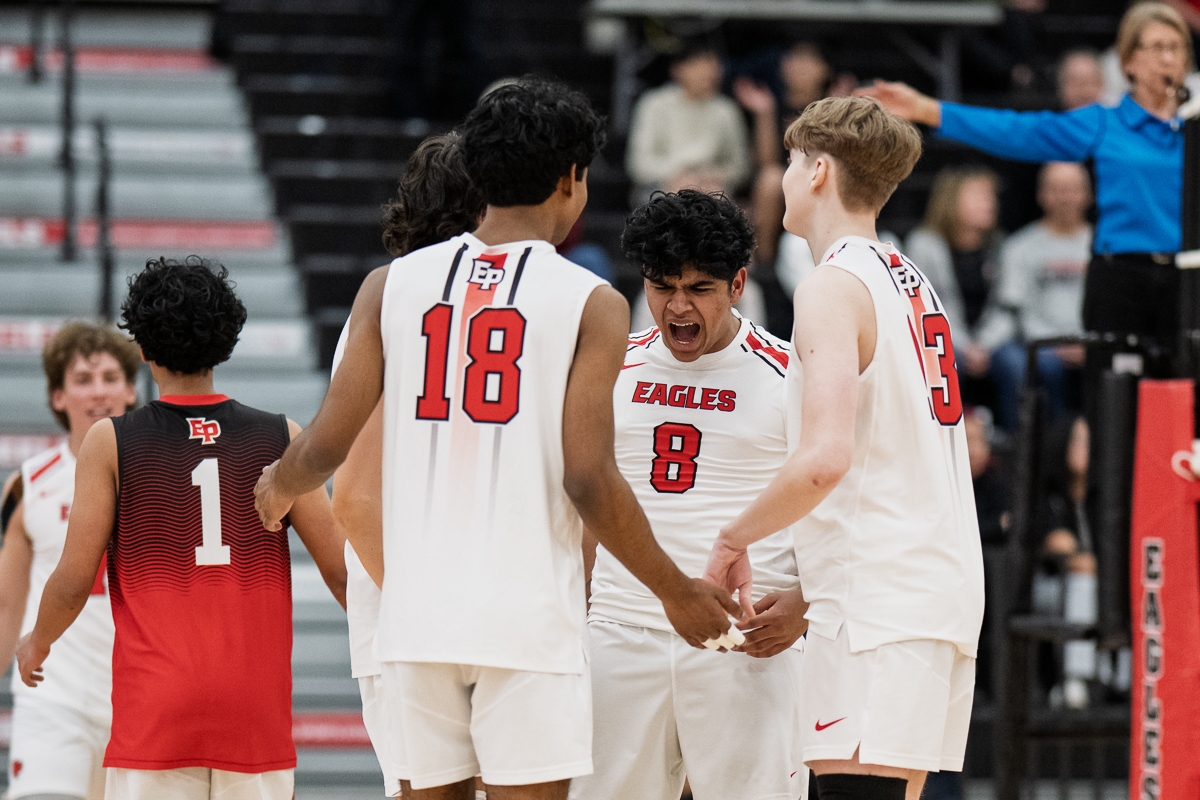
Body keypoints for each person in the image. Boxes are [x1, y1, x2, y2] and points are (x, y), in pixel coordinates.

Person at [253, 78, 740, 800]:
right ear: (571, 180)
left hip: (418, 618)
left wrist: (278, 485)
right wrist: (674, 591)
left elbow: (327, 445)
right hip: (526, 618)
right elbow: (588, 478)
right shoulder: (591, 302)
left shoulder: (389, 285)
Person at [704, 97, 985, 800]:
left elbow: (825, 459)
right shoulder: (912, 281)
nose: (784, 177)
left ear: (819, 171)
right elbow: (895, 458)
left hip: (878, 607)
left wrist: (734, 537)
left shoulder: (832, 285)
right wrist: (810, 592)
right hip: (927, 592)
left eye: (792, 161)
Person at [16, 257, 347, 800]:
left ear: (143, 350)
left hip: (156, 714)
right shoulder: (281, 436)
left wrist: (38, 641)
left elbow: (74, 581)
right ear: (226, 340)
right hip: (253, 713)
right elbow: (341, 573)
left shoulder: (110, 442)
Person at [571, 190, 808, 800]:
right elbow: (581, 505)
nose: (677, 306)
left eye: (699, 288)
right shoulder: (610, 365)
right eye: (662, 286)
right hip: (621, 629)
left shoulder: (791, 372)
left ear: (737, 285)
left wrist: (807, 602)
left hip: (748, 639)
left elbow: (848, 506)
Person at [862, 2, 1194, 388]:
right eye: (1156, 47)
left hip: (1186, 278)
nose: (1168, 58)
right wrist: (927, 109)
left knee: (1184, 398)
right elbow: (1018, 131)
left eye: (1176, 47)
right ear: (1128, 61)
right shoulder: (1106, 123)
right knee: (1114, 402)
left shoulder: (1193, 126)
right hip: (1122, 280)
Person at [334, 131, 486, 798]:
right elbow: (355, 497)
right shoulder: (393, 307)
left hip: (484, 606)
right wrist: (419, 608)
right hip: (412, 610)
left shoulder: (491, 313)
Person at [0, 324, 138, 800]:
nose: (98, 391)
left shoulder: (162, 475)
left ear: (131, 389)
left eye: (110, 377)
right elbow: (7, 604)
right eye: (83, 379)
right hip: (53, 699)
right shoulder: (27, 484)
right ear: (58, 397)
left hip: (144, 702)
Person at [988, 162, 1093, 430]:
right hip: (1040, 344)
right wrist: (1056, 344)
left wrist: (1086, 342)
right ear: (1041, 195)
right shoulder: (1019, 247)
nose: (1064, 197)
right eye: (1056, 189)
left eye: (1072, 189)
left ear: (1088, 195)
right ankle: (1033, 442)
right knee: (1025, 363)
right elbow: (1016, 310)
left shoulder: (1104, 248)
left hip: (1092, 343)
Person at [905, 167, 1007, 397]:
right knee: (946, 360)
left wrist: (984, 345)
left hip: (990, 341)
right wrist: (963, 346)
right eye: (979, 195)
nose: (989, 203)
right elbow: (923, 308)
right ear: (951, 200)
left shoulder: (1000, 246)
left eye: (991, 196)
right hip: (944, 338)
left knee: (1015, 362)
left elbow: (1007, 308)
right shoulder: (924, 245)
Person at [626, 44, 751, 203]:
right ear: (678, 70)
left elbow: (739, 166)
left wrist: (712, 176)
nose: (709, 73)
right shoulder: (654, 104)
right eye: (699, 65)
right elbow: (639, 164)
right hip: (661, 185)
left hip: (711, 186)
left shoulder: (725, 109)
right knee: (676, 199)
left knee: (714, 200)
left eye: (714, 66)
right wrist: (678, 174)